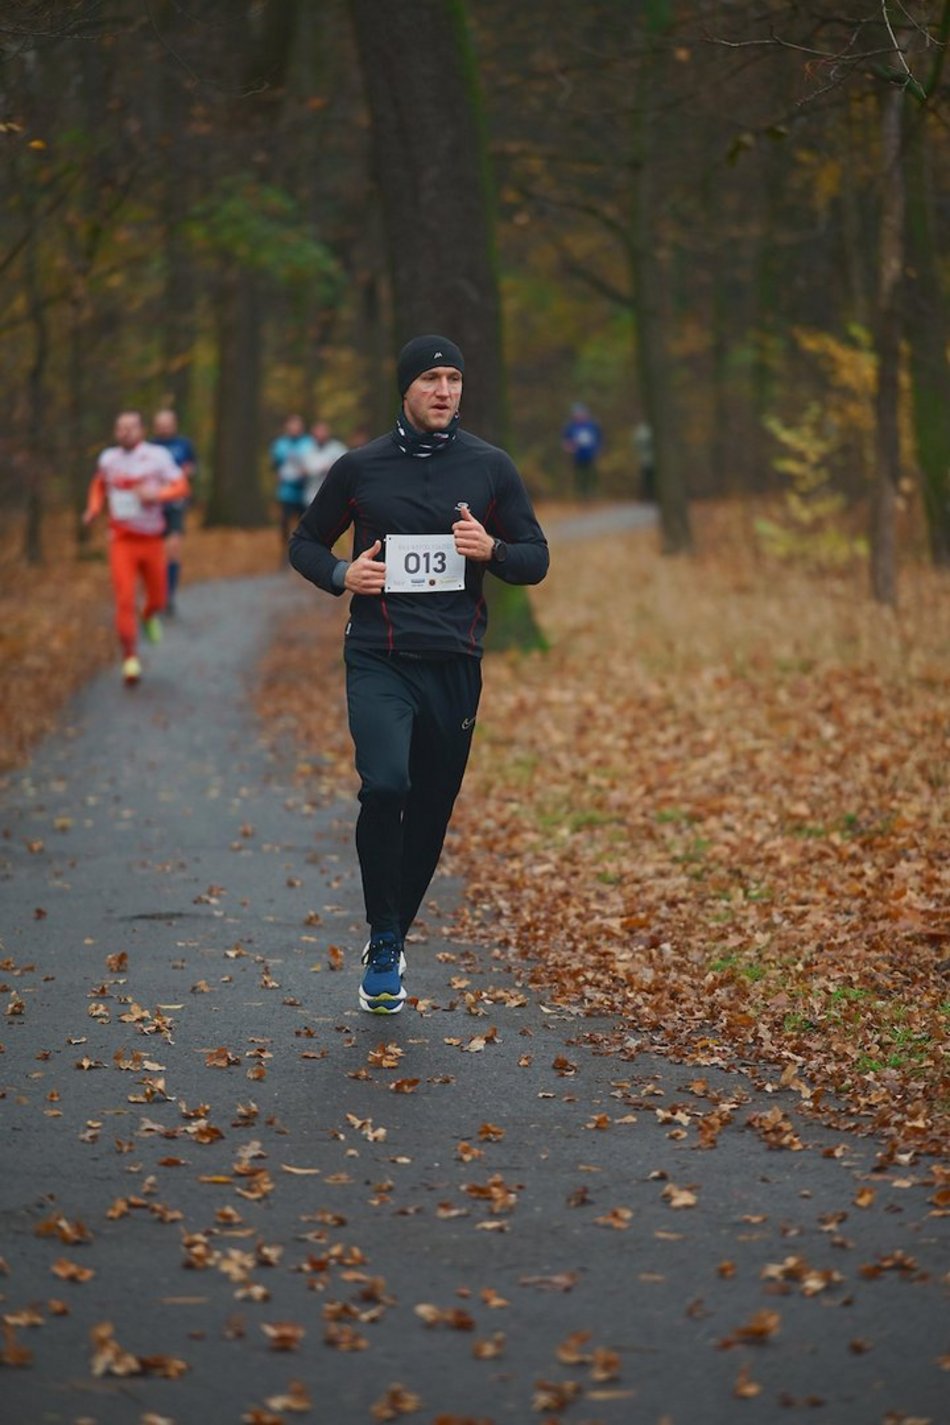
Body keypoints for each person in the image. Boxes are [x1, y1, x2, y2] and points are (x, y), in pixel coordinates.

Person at [289, 334, 549, 1014]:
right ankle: (382, 938)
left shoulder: (491, 468)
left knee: (430, 810)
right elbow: (304, 542)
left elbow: (536, 556)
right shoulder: (361, 468)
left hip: (455, 664)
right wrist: (345, 574)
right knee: (386, 785)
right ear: (405, 388)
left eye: (454, 378)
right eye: (432, 378)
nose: (444, 390)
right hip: (379, 656)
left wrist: (491, 548)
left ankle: (394, 934)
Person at [83, 410, 188, 685]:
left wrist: (156, 494)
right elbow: (98, 485)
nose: (125, 432)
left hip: (152, 540)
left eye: (131, 427)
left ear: (141, 431)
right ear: (116, 432)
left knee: (158, 599)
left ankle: (149, 613)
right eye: (120, 428)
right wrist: (93, 508)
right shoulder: (108, 459)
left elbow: (181, 486)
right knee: (124, 599)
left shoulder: (157, 457)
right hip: (121, 541)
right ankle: (130, 657)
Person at [151, 408, 196, 616]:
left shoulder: (184, 444)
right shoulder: (149, 447)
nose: (164, 428)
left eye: (167, 424)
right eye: (160, 424)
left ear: (174, 424)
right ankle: (156, 594)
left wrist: (187, 473)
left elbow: (193, 467)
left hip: (176, 504)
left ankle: (169, 596)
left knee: (173, 549)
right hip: (153, 506)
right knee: (155, 553)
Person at [270, 415, 311, 554]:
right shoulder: (280, 444)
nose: (294, 428)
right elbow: (275, 464)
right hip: (286, 492)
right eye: (292, 425)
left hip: (305, 492)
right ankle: (285, 553)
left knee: (304, 526)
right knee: (285, 524)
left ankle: (304, 552)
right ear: (287, 427)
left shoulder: (308, 443)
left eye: (297, 425)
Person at [561, 401, 603, 501]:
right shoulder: (570, 427)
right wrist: (569, 447)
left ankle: (592, 494)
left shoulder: (592, 425)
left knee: (591, 475)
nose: (579, 416)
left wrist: (598, 449)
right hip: (577, 456)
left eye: (581, 413)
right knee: (579, 476)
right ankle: (580, 496)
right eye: (577, 414)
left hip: (590, 455)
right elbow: (565, 441)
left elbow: (599, 438)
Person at [301, 418, 348, 506]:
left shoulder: (338, 448)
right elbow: (301, 471)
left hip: (333, 496)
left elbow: (347, 468)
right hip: (311, 496)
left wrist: (331, 469)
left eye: (323, 431)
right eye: (318, 431)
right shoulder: (306, 449)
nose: (321, 434)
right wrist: (315, 471)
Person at [634, 419, 656, 503]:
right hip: (648, 460)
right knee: (649, 479)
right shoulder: (647, 431)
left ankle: (646, 497)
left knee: (646, 479)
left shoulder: (639, 431)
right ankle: (649, 496)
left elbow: (636, 445)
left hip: (643, 459)